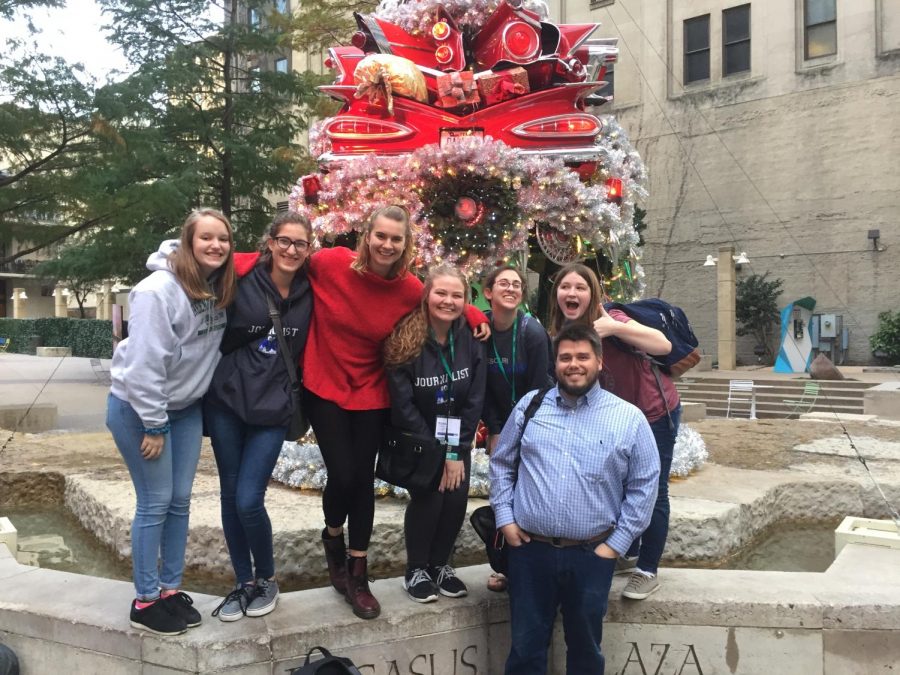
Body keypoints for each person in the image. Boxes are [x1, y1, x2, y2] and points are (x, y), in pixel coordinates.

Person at [301, 205, 489, 619]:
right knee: (344, 475)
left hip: (370, 390)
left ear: (406, 245)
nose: (387, 244)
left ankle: (358, 572)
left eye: (396, 239)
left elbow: (442, 298)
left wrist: (475, 314)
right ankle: (333, 537)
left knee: (362, 481)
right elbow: (280, 261)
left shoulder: (407, 288)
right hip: (326, 383)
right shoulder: (330, 263)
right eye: (381, 235)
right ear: (366, 235)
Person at [490, 323, 660, 675]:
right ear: (555, 364)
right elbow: (502, 463)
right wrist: (505, 519)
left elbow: (645, 487)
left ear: (599, 361)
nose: (574, 364)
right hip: (530, 553)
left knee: (585, 651)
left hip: (591, 555)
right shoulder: (530, 407)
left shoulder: (628, 418)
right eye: (565, 357)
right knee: (525, 649)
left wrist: (615, 545)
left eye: (583, 356)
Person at [106, 208, 236, 636]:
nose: (216, 245)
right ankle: (144, 600)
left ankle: (168, 590)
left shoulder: (217, 285)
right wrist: (154, 424)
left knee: (181, 501)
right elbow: (145, 366)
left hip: (184, 409)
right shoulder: (157, 291)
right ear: (187, 242)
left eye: (223, 238)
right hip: (141, 409)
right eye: (206, 238)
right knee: (155, 501)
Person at [548, 262, 681, 600]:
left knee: (654, 490)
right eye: (565, 287)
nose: (572, 293)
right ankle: (630, 550)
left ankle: (647, 569)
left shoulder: (611, 317)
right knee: (619, 486)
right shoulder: (560, 329)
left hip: (652, 412)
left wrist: (613, 329)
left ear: (592, 292)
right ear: (557, 294)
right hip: (612, 419)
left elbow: (663, 345)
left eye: (580, 287)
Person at [204, 212, 314, 622]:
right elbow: (189, 269)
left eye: (299, 244)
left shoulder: (311, 290)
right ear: (270, 242)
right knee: (231, 497)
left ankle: (267, 578)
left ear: (308, 250)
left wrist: (473, 316)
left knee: (250, 498)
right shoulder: (239, 277)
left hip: (272, 410)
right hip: (227, 404)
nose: (290, 250)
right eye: (284, 241)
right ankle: (242, 582)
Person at [384, 264, 487, 603]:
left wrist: (456, 452)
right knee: (429, 499)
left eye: (457, 295)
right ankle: (416, 569)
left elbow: (474, 398)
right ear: (427, 295)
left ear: (465, 300)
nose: (448, 300)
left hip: (457, 438)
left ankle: (441, 564)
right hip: (421, 440)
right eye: (441, 293)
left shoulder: (471, 339)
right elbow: (403, 403)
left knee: (456, 500)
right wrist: (436, 453)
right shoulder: (406, 338)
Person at [480, 265, 552, 592]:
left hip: (532, 424)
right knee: (502, 493)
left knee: (528, 495)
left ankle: (529, 567)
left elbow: (542, 388)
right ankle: (505, 565)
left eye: (516, 284)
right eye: (503, 283)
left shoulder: (532, 333)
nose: (511, 288)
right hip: (498, 426)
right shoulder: (479, 330)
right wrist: (495, 429)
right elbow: (479, 387)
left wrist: (522, 433)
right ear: (488, 292)